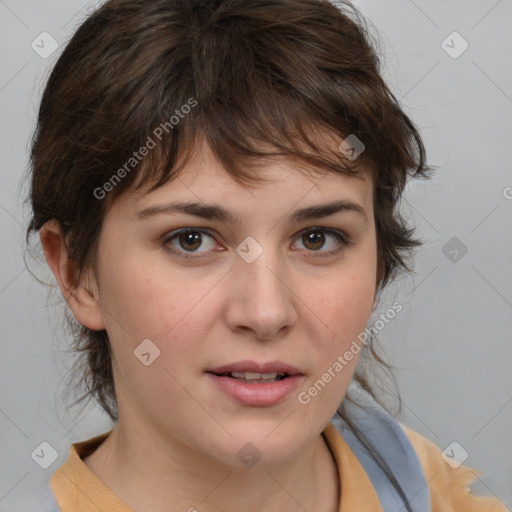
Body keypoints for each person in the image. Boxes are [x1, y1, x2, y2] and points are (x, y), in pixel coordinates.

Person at [24, 0, 507, 511]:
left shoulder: (432, 490)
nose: (266, 312)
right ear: (78, 273)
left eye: (318, 238)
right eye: (192, 239)